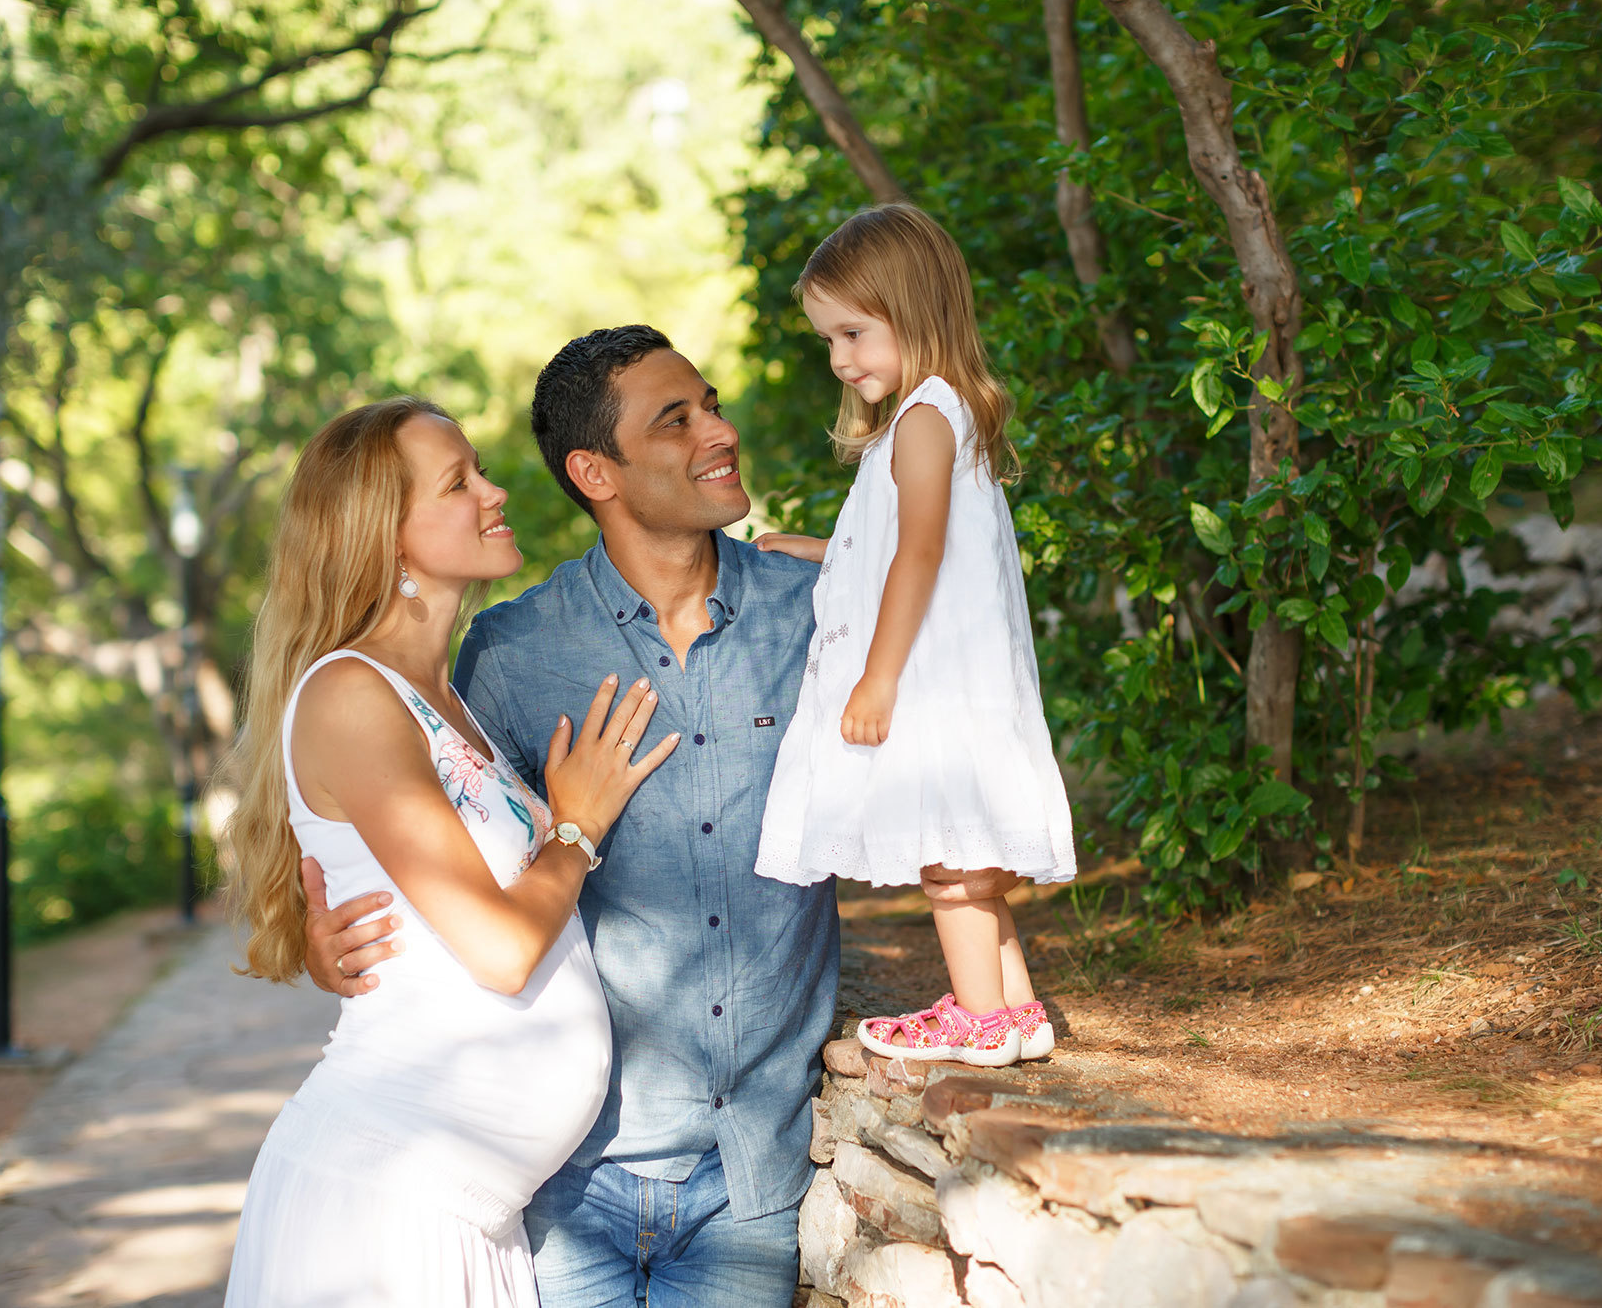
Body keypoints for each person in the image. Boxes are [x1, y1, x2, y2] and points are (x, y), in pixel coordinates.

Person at [300, 327, 1025, 1305]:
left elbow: (964, 694)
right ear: (594, 470)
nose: (717, 431)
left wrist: (847, 557)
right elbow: (437, 844)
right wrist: (321, 943)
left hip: (746, 1180)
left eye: (712, 404)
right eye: (674, 419)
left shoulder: (820, 613)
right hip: (563, 1183)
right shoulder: (509, 653)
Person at [218, 396, 678, 1308]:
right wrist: (576, 827)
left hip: (466, 1215)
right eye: (459, 481)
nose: (494, 489)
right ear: (383, 535)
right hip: (388, 1210)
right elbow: (502, 950)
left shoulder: (439, 694)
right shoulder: (353, 692)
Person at [753, 203, 1077, 1068]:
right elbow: (903, 546)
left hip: (931, 683)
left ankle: (976, 1019)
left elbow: (922, 552)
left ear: (914, 309)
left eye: (853, 332)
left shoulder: (925, 420)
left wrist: (878, 676)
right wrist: (819, 550)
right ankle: (1014, 1011)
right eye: (829, 340)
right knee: (972, 861)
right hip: (962, 683)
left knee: (949, 866)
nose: (839, 358)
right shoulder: (938, 414)